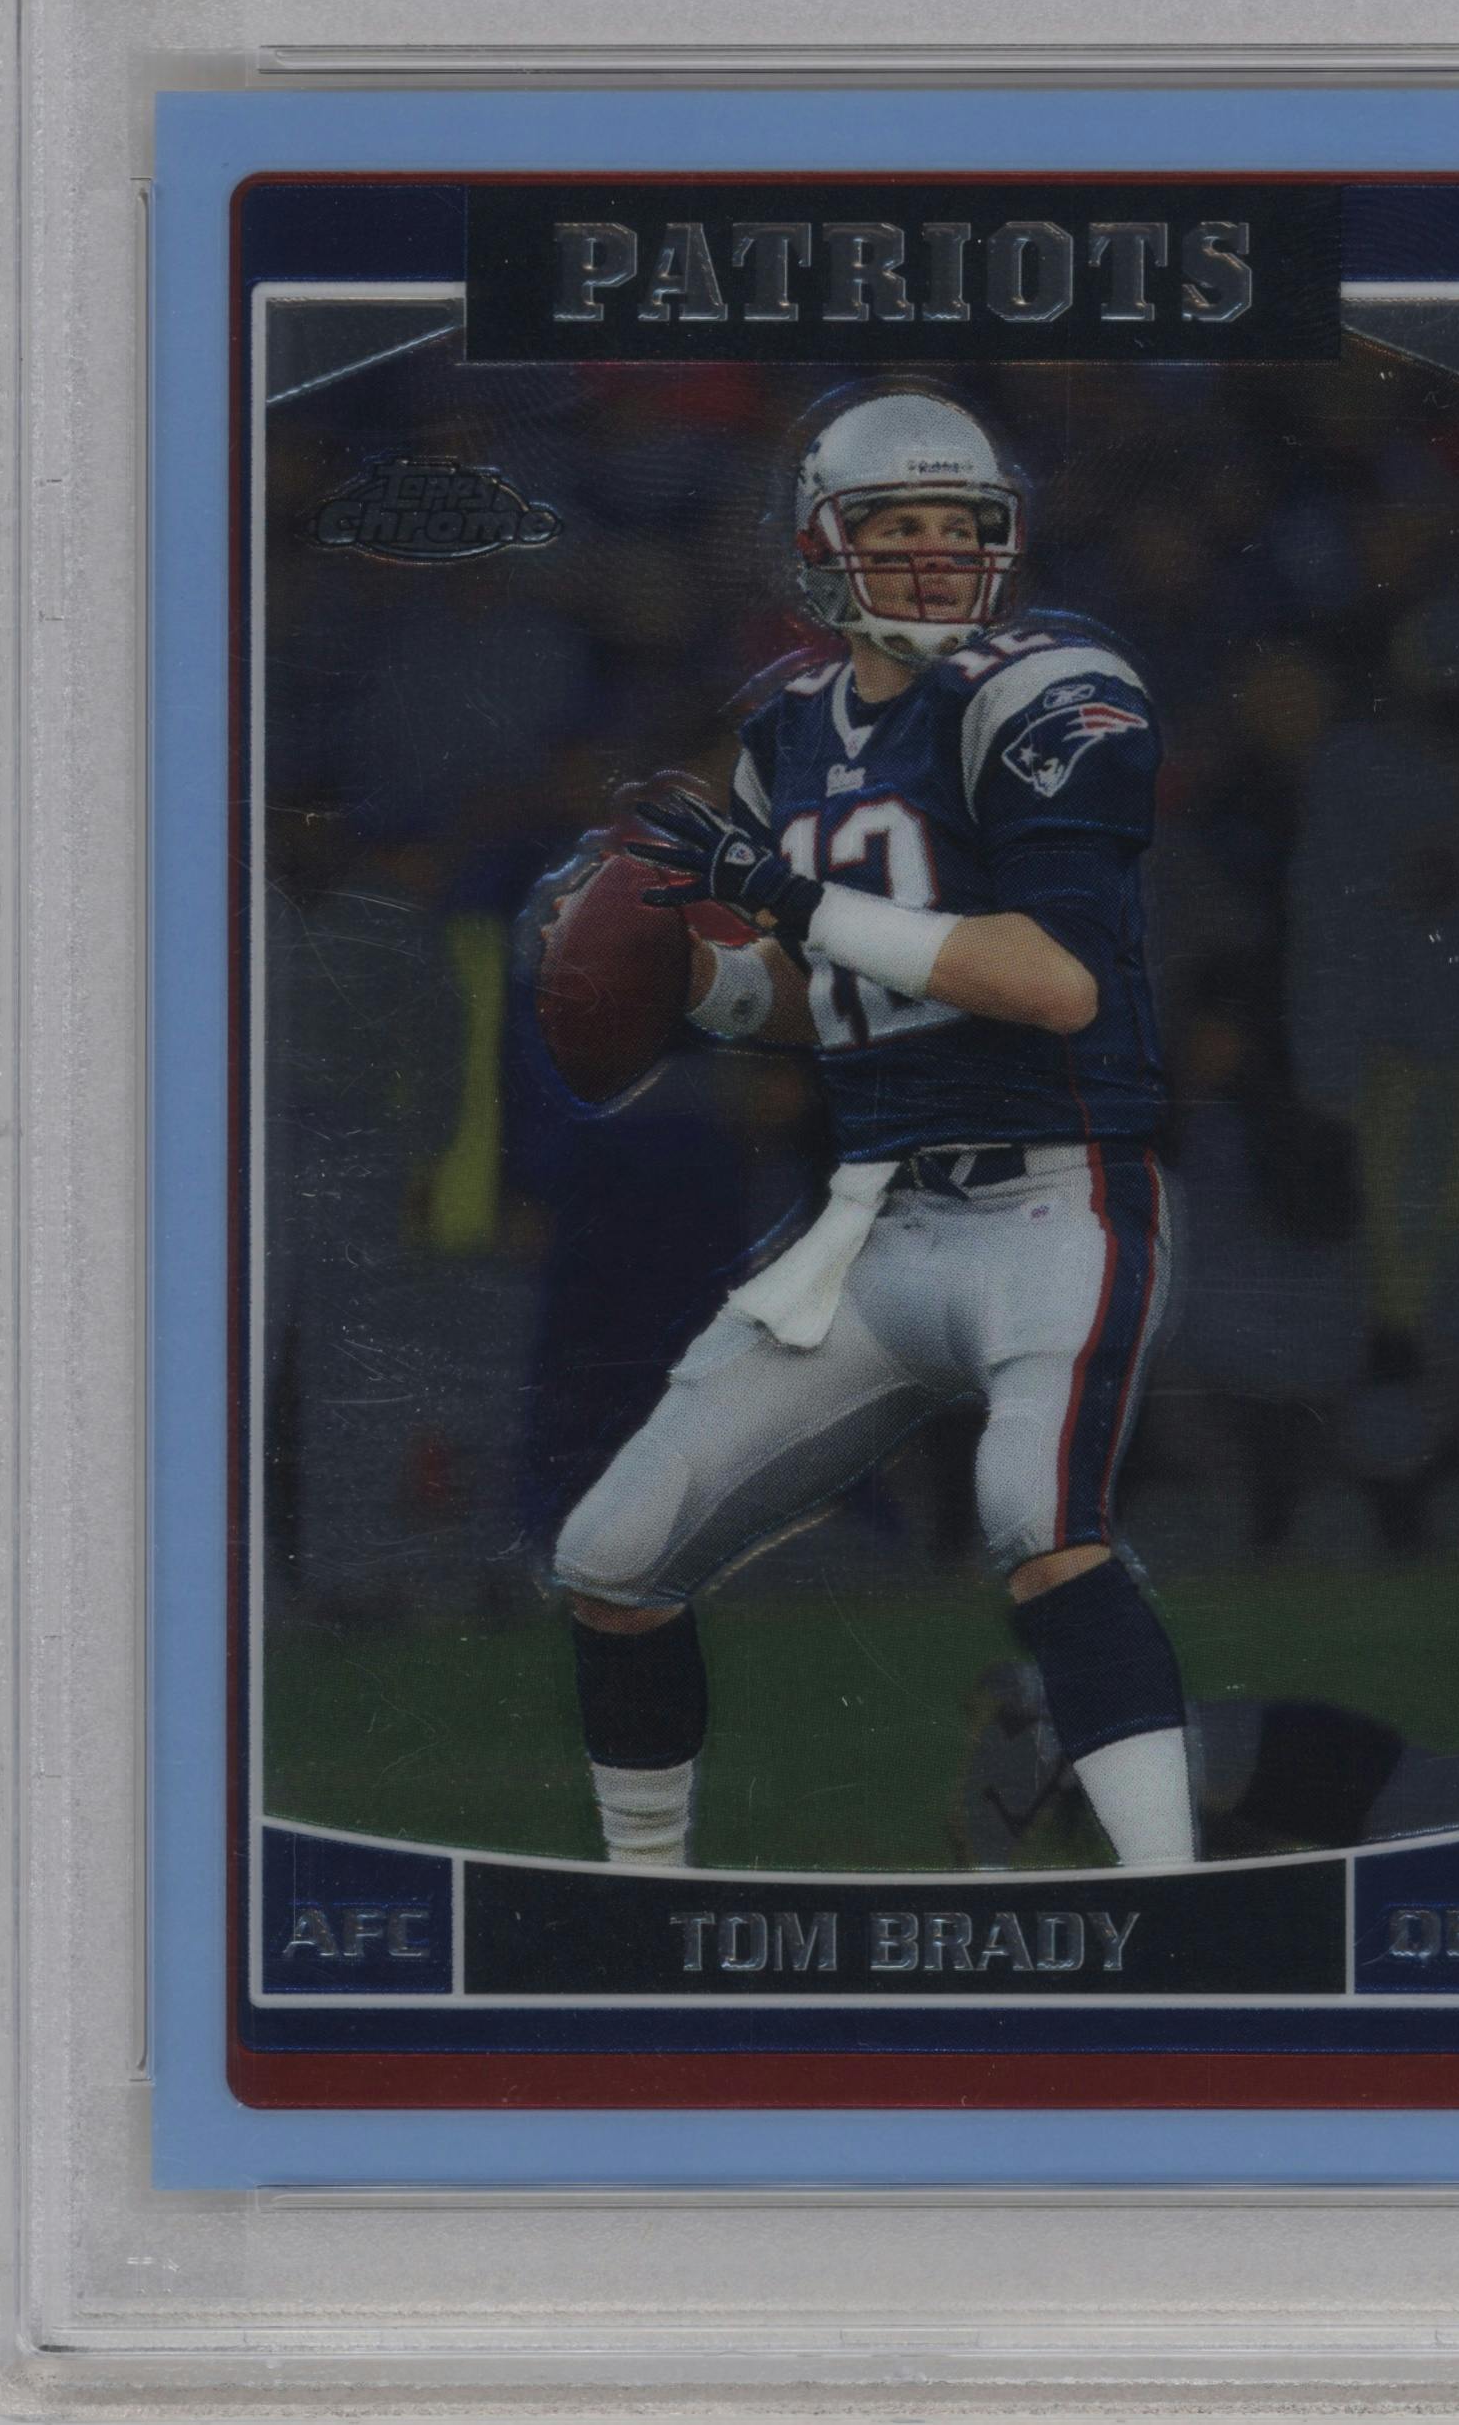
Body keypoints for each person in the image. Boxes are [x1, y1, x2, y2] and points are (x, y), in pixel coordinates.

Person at [549, 386, 1193, 1871]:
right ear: (820, 547)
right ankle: (643, 1912)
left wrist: (784, 898)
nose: (932, 553)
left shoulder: (1045, 688)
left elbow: (1054, 979)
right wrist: (701, 983)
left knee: (1038, 1517)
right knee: (613, 1553)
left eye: (959, 524)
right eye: (895, 523)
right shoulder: (788, 732)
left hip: (1056, 1204)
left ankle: (1172, 1896)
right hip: (880, 1223)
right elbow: (837, 993)